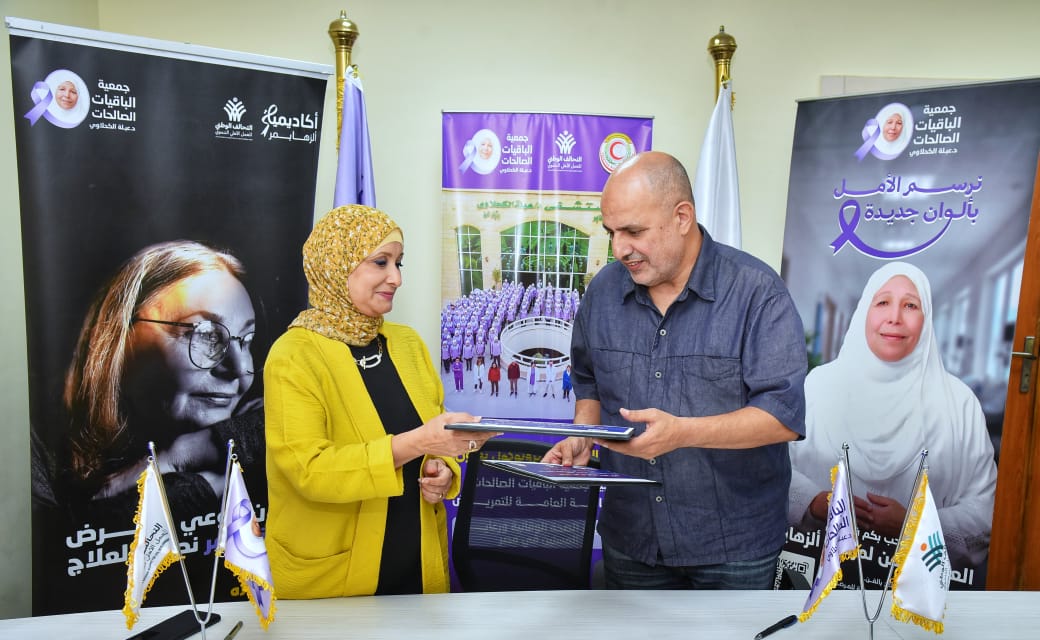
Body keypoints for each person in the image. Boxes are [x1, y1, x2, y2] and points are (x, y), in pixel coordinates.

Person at [544, 151, 807, 590]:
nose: (619, 249)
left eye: (634, 231)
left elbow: (782, 416)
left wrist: (682, 433)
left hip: (733, 544)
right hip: (633, 537)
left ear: (682, 217)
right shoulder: (603, 292)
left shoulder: (756, 292)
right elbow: (589, 383)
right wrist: (582, 436)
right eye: (611, 232)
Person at [263, 205, 498, 599]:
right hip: (334, 579)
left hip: (416, 561)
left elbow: (432, 433)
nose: (396, 278)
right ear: (336, 265)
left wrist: (441, 469)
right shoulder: (293, 355)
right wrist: (419, 442)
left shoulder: (407, 343)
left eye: (399, 263)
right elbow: (310, 471)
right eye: (380, 262)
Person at [788, 262, 996, 576]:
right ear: (864, 312)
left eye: (910, 305)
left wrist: (914, 523)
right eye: (883, 302)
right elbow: (774, 468)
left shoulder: (959, 403)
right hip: (818, 572)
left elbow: (984, 509)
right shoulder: (817, 387)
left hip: (918, 586)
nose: (894, 317)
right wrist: (815, 502)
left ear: (926, 318)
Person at [54, 239, 260, 516]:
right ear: (121, 340)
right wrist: (195, 473)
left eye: (246, 340)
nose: (240, 368)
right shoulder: (38, 462)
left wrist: (187, 453)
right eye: (205, 334)